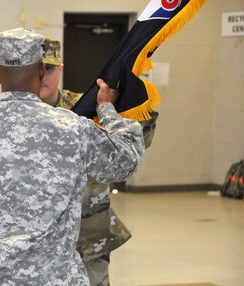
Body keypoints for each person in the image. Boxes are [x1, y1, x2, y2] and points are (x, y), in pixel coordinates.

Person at [0, 27, 145, 286]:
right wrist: (107, 111)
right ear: (39, 71)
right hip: (52, 278)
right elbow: (126, 160)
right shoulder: (72, 128)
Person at [40, 37, 158, 286]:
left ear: (60, 70)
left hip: (89, 239)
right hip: (36, 245)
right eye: (37, 69)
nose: (43, 76)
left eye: (49, 68)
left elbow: (137, 142)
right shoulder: (12, 117)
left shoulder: (89, 107)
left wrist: (122, 104)